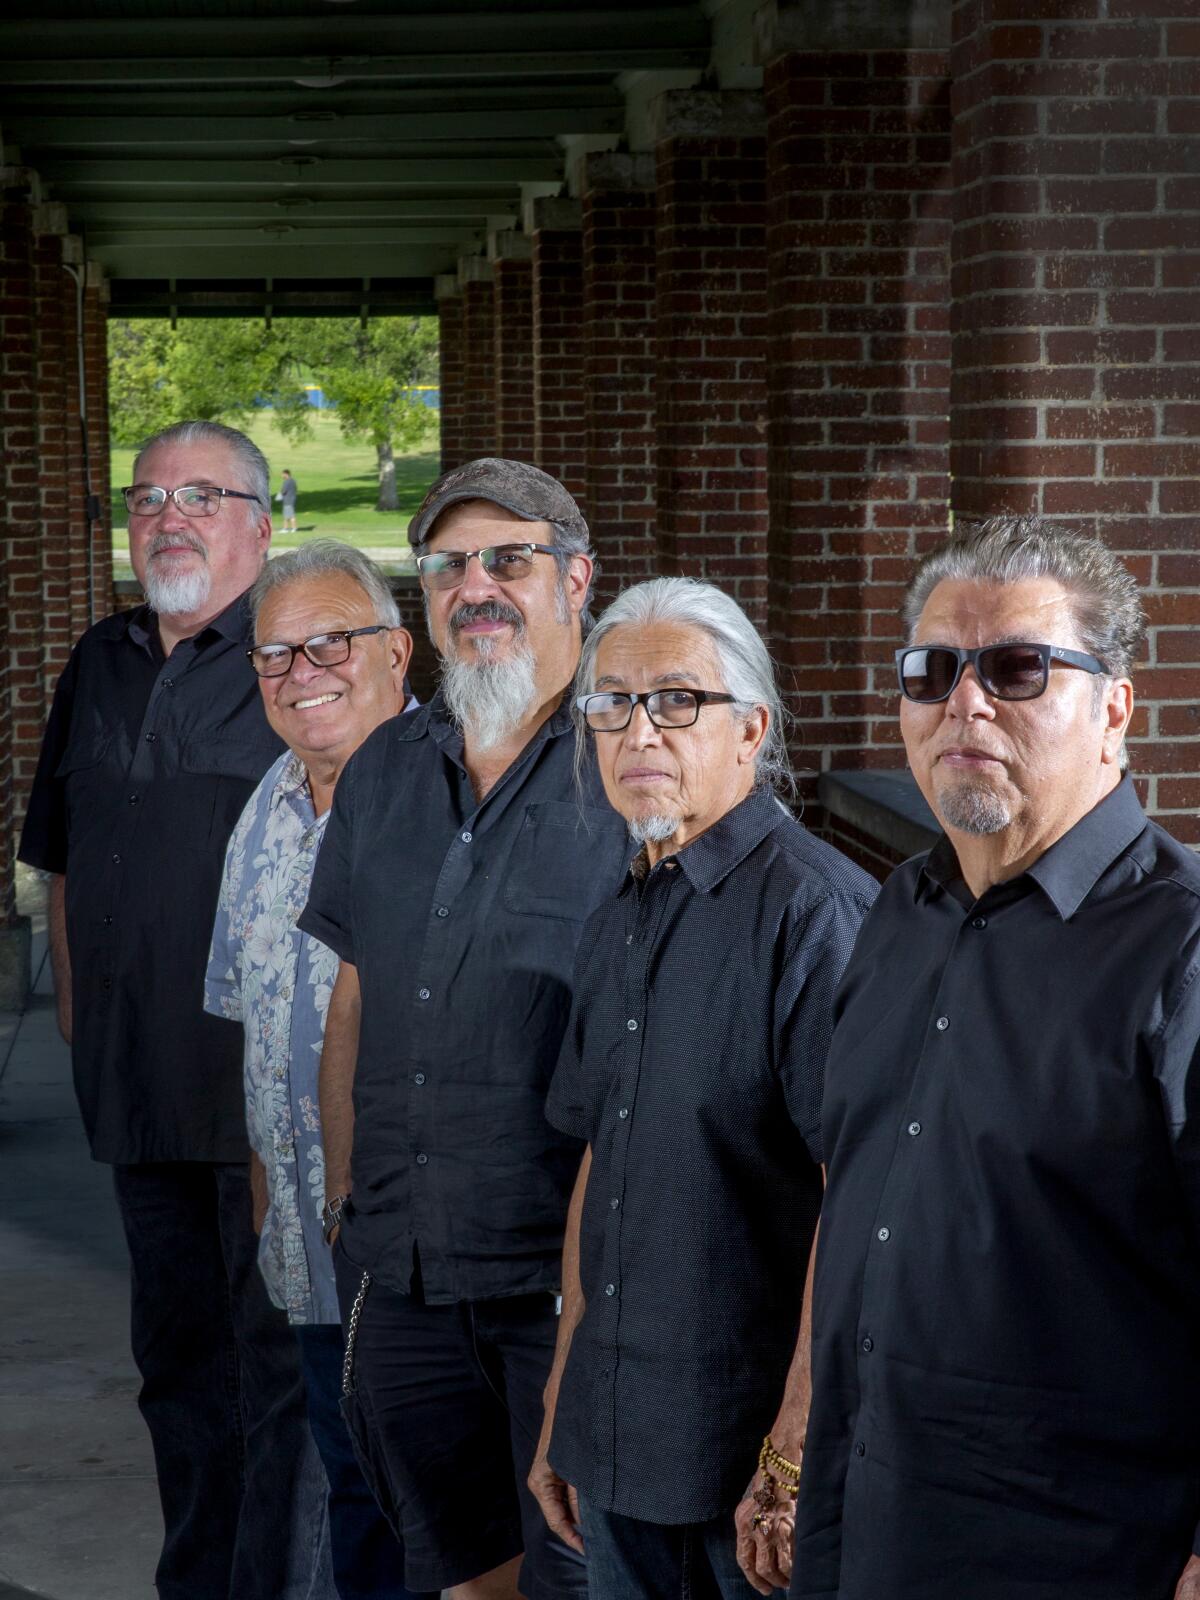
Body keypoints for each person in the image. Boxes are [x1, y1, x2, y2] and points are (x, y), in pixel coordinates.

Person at [777, 516, 1200, 1600]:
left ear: (1115, 708)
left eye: (1017, 667)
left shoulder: (1184, 948)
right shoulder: (897, 913)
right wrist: (794, 1441)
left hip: (1083, 1557)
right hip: (865, 1530)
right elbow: (857, 1187)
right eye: (933, 670)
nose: (966, 701)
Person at [298, 459, 632, 1600]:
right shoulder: (387, 766)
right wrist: (349, 1202)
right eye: (449, 566)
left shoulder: (631, 763)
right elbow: (354, 993)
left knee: (586, 1577)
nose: (476, 585)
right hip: (405, 1282)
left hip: (569, 1297)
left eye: (509, 559)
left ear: (577, 581)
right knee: (462, 1579)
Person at [18, 420, 321, 1600]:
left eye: (202, 496)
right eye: (147, 499)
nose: (169, 518)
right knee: (177, 1370)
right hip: (139, 1097)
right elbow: (59, 853)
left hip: (264, 1103)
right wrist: (82, 1025)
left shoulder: (300, 658)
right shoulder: (100, 659)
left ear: (259, 520)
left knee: (278, 1371)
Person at [529, 577, 878, 1599]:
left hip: (749, 1465)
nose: (640, 729)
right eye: (613, 704)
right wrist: (564, 1389)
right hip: (618, 1438)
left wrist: (794, 1448)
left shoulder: (816, 916)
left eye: (678, 699)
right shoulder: (622, 908)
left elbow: (856, 1193)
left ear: (751, 728)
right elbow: (599, 1156)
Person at [205, 541, 428, 1600]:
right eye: (275, 655)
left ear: (398, 650)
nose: (302, 673)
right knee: (356, 1504)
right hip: (306, 1251)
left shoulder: (453, 799)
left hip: (425, 1263)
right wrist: (268, 1201)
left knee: (440, 1516)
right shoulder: (266, 807)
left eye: (329, 642)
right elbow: (249, 1016)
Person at [279, 468, 299, 533]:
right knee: (288, 515)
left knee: (289, 516)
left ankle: (289, 529)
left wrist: (280, 494)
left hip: (288, 500)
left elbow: (283, 491)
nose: (282, 476)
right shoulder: (293, 481)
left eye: (282, 474)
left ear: (286, 474)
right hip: (292, 499)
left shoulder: (287, 481)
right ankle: (288, 528)